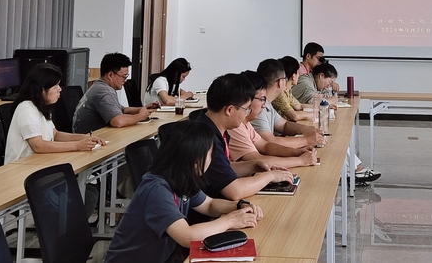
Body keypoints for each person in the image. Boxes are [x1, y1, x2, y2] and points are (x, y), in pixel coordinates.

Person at [104, 120, 263, 263]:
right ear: (196, 160)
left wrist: (239, 206)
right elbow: (187, 236)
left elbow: (209, 204)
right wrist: (229, 221)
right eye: (210, 154)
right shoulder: (157, 189)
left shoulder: (180, 178)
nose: (212, 159)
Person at [194, 73, 295, 200]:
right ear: (229, 110)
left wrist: (254, 165)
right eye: (246, 109)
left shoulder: (215, 127)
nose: (247, 113)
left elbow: (222, 168)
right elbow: (235, 191)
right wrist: (270, 176)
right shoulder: (206, 139)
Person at [290, 61, 381, 184]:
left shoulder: (312, 82)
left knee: (334, 136)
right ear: (321, 75)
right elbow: (313, 102)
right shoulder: (305, 83)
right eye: (329, 82)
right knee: (333, 138)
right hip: (294, 127)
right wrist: (328, 101)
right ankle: (353, 170)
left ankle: (353, 169)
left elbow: (306, 103)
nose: (328, 86)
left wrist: (328, 96)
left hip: (301, 121)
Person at [5, 63, 106, 163]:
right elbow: (38, 145)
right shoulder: (26, 108)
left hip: (40, 162)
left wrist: (83, 137)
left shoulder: (43, 106)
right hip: (21, 166)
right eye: (56, 86)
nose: (60, 89)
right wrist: (77, 145)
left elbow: (55, 135)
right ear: (42, 90)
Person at [228, 70, 318, 168]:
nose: (263, 105)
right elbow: (256, 160)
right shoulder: (235, 126)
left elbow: (265, 146)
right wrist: (300, 160)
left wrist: (295, 152)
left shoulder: (246, 123)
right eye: (262, 99)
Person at [73, 53, 160, 134]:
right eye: (124, 76)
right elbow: (118, 121)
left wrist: (144, 108)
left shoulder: (101, 86)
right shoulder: (103, 91)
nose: (125, 80)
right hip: (89, 137)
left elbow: (122, 110)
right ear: (110, 75)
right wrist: (140, 116)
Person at [250, 59, 326, 148]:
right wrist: (307, 140)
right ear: (280, 82)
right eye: (285, 79)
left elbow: (284, 125)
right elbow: (270, 141)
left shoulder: (267, 103)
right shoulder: (258, 107)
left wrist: (307, 129)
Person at [272, 56, 313, 121]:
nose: (299, 75)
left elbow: (299, 106)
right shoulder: (280, 93)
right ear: (293, 76)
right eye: (298, 73)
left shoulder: (287, 90)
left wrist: (320, 108)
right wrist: (316, 113)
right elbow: (294, 116)